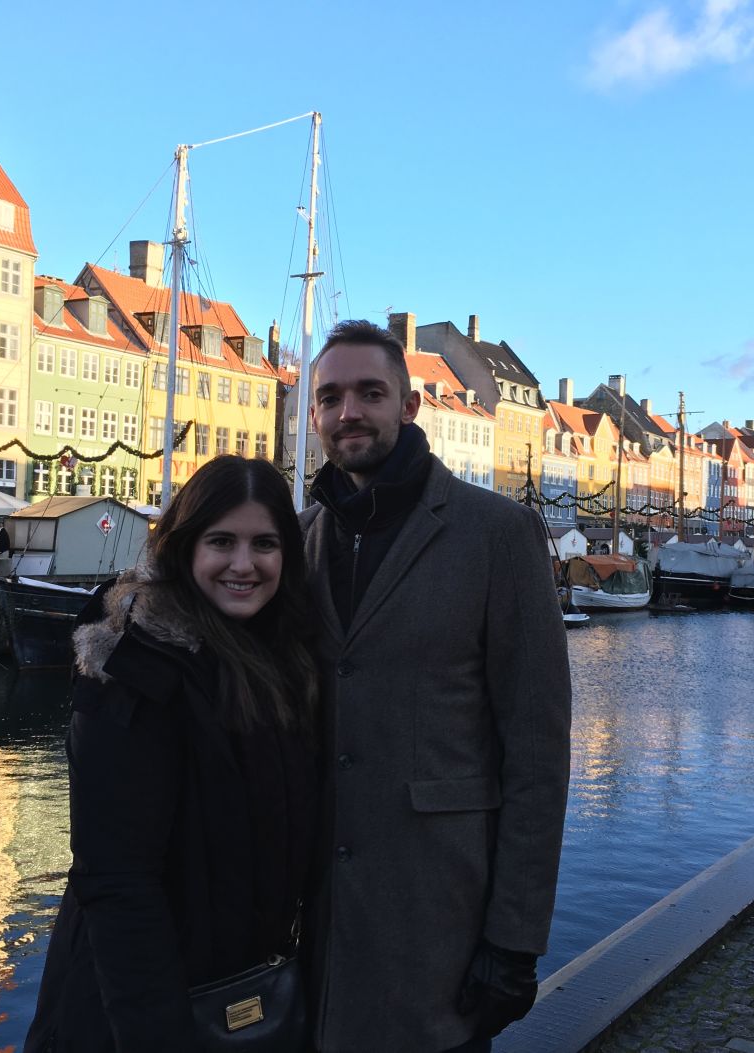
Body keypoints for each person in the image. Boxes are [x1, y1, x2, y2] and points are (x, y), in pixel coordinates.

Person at [300, 319, 572, 1053]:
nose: (348, 410)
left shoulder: (497, 534)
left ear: (409, 405)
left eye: (369, 392)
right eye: (330, 397)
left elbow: (538, 755)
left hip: (439, 929)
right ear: (315, 415)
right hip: (318, 936)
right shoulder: (300, 542)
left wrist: (515, 941)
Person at [23, 455, 321, 1052]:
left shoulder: (278, 658)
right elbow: (116, 880)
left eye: (265, 543)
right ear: (184, 547)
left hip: (240, 992)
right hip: (141, 1016)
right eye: (221, 541)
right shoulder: (137, 671)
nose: (244, 564)